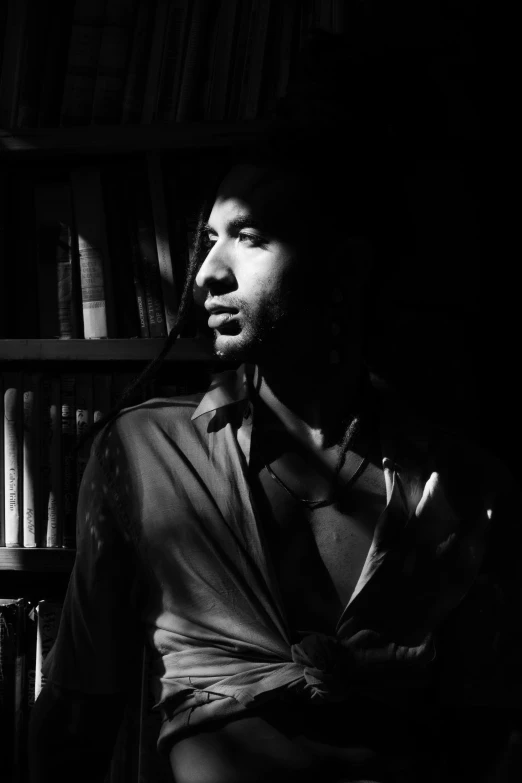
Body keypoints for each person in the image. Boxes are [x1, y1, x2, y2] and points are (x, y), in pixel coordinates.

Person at [29, 130, 521, 783]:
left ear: (346, 267)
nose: (206, 272)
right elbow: (75, 722)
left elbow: (492, 727)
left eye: (251, 237)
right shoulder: (146, 453)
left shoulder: (461, 484)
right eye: (209, 240)